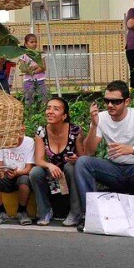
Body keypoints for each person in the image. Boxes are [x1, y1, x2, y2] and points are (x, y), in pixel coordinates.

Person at [75, 80, 134, 236]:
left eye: (115, 101)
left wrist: (131, 149)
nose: (110, 105)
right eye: (107, 101)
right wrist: (94, 125)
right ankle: (89, 216)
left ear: (127, 101)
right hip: (114, 170)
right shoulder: (101, 118)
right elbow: (89, 151)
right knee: (83, 162)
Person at [29, 97, 85, 226]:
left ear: (64, 116)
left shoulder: (75, 131)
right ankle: (44, 212)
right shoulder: (41, 131)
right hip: (53, 175)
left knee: (70, 167)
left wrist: (76, 159)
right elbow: (38, 160)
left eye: (56, 109)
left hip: (70, 174)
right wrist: (50, 165)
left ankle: (76, 213)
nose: (50, 111)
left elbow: (83, 157)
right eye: (48, 108)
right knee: (35, 172)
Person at [0, 129, 35, 226]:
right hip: (5, 175)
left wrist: (17, 173)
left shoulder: (29, 142)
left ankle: (22, 211)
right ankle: (1, 212)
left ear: (23, 129)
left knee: (25, 180)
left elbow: (28, 168)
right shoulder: (0, 140)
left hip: (21, 174)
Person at [19, 33, 49, 105]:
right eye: (31, 42)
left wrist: (33, 69)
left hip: (40, 80)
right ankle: (29, 113)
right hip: (28, 81)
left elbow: (43, 67)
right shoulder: (23, 55)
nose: (34, 44)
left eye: (35, 42)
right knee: (29, 98)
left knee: (44, 97)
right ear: (26, 44)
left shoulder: (40, 54)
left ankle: (43, 112)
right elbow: (23, 69)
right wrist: (37, 66)